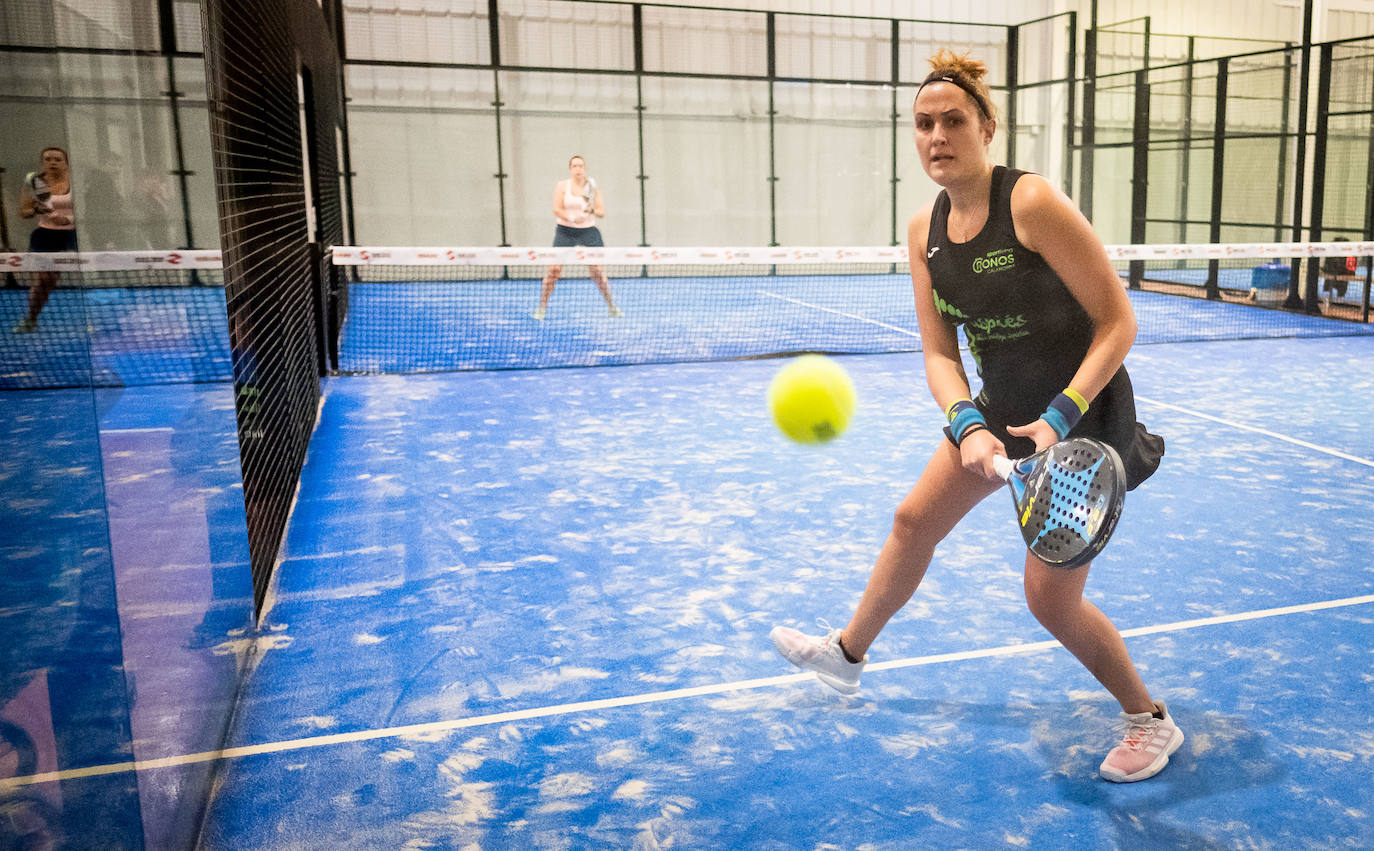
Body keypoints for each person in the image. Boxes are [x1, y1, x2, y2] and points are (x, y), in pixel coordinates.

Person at [769, 50, 1181, 784]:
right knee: (912, 521)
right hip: (1000, 405)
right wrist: (968, 423)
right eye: (923, 124)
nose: (936, 136)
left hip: (1086, 415)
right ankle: (847, 655)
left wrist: (1055, 420)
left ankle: (1150, 720)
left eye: (953, 120)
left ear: (986, 127)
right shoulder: (922, 230)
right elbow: (938, 352)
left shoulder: (1030, 203)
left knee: (1047, 599)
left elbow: (1118, 323)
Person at [534, 154, 621, 320]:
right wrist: (572, 218)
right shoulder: (562, 186)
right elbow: (557, 209)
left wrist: (590, 211)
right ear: (570, 169)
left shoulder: (592, 187)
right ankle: (542, 308)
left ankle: (611, 306)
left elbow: (601, 212)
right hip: (565, 230)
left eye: (581, 166)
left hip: (588, 231)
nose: (578, 169)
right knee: (554, 270)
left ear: (585, 168)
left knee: (597, 271)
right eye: (574, 166)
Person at [13, 146, 77, 333]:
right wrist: (35, 210)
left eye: (57, 159)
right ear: (42, 163)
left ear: (66, 163)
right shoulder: (33, 182)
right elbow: (24, 212)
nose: (52, 163)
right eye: (48, 159)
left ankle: (86, 319)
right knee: (43, 280)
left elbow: (88, 210)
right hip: (44, 237)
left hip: (71, 235)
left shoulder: (75, 182)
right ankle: (31, 318)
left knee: (61, 280)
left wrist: (68, 219)